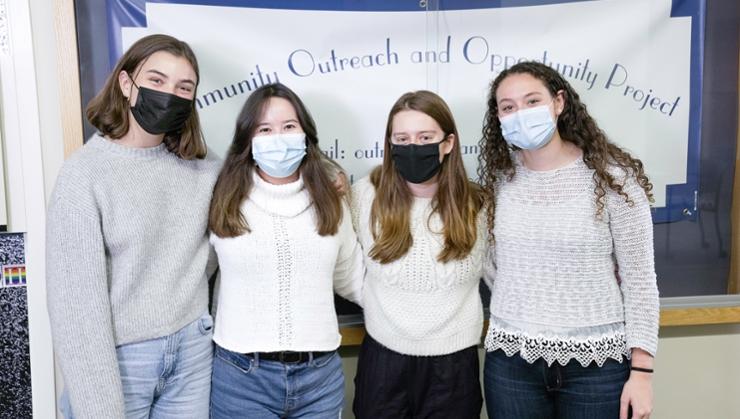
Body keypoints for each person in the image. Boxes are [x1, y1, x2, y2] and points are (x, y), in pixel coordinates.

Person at [46, 34, 220, 418]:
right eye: (156, 80)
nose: (169, 94)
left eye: (184, 87)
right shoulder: (84, 175)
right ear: (126, 84)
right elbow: (76, 310)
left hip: (192, 351)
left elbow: (259, 182)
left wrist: (328, 173)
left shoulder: (203, 168)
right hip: (121, 359)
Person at [478, 61, 659, 419]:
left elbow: (640, 280)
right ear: (498, 117)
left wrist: (642, 372)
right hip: (511, 364)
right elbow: (492, 265)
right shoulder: (499, 181)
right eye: (508, 107)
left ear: (559, 102)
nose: (521, 113)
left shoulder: (614, 180)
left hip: (597, 367)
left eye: (532, 101)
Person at [208, 83, 363, 418]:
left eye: (289, 126)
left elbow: (353, 279)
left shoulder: (330, 200)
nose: (277, 138)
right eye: (264, 129)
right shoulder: (222, 196)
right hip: (240, 378)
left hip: (319, 379)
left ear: (306, 134)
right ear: (248, 139)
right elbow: (194, 276)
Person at [351, 90, 487, 419]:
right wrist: (375, 302)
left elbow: (500, 271)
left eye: (425, 137)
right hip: (383, 359)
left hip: (454, 366)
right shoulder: (365, 196)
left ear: (448, 143)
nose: (413, 147)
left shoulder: (478, 205)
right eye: (402, 138)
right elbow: (342, 263)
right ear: (390, 143)